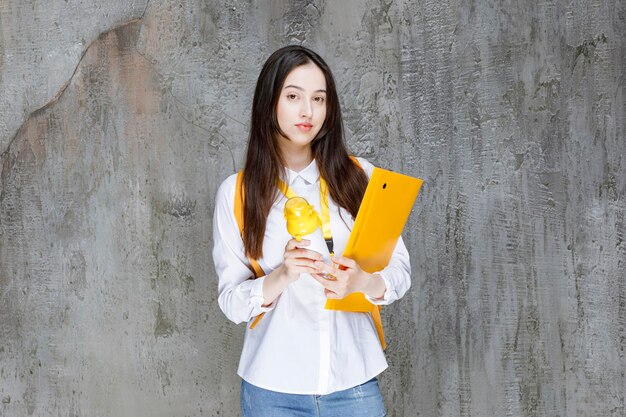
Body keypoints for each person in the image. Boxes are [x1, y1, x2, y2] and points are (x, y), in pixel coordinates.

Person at [212, 45, 411, 417]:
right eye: (293, 97)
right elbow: (231, 301)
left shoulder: (361, 177)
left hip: (353, 384)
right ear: (269, 103)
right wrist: (283, 275)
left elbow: (399, 271)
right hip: (272, 391)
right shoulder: (237, 193)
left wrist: (361, 283)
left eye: (319, 99)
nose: (308, 111)